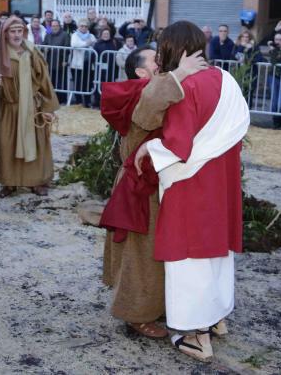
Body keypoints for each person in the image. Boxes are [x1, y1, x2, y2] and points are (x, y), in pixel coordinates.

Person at [133, 21, 249, 362]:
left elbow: (179, 145)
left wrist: (149, 150)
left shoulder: (187, 87)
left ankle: (197, 336)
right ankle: (216, 319)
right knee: (216, 252)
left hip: (191, 183)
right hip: (222, 182)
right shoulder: (226, 79)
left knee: (189, 257)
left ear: (174, 48)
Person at [100, 46, 207, 340]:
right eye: (156, 60)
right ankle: (135, 315)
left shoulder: (154, 89)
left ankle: (153, 305)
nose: (164, 63)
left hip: (156, 184)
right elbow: (147, 114)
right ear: (141, 72)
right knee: (141, 254)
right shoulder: (139, 93)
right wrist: (182, 72)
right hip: (140, 188)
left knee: (155, 251)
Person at [0, 17, 59, 197]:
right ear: (6, 34)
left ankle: (36, 182)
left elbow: (44, 81)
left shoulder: (32, 52)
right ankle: (9, 183)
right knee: (6, 145)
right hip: (8, 108)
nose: (16, 35)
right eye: (12, 31)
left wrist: (48, 108)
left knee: (36, 145)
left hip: (32, 108)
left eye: (19, 31)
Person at [70, 19, 97, 108]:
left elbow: (94, 44)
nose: (84, 28)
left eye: (85, 26)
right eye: (82, 26)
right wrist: (86, 43)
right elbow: (74, 44)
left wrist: (83, 44)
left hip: (89, 63)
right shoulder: (75, 35)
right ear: (78, 27)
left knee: (88, 83)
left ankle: (87, 101)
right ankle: (78, 101)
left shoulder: (92, 36)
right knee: (77, 83)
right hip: (77, 64)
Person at [43, 19, 70, 103]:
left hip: (60, 62)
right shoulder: (48, 34)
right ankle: (51, 99)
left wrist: (65, 60)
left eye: (56, 26)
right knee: (51, 81)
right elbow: (44, 44)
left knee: (61, 82)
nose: (55, 27)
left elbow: (67, 48)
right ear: (51, 27)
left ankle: (62, 100)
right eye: (53, 26)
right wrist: (44, 49)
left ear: (60, 26)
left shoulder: (65, 35)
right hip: (50, 61)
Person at [93, 28, 118, 107]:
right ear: (101, 35)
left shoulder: (114, 43)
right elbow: (94, 55)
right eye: (104, 34)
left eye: (107, 34)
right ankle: (97, 102)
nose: (106, 35)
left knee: (109, 85)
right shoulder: (97, 44)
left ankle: (108, 103)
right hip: (99, 68)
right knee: (99, 85)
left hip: (111, 68)